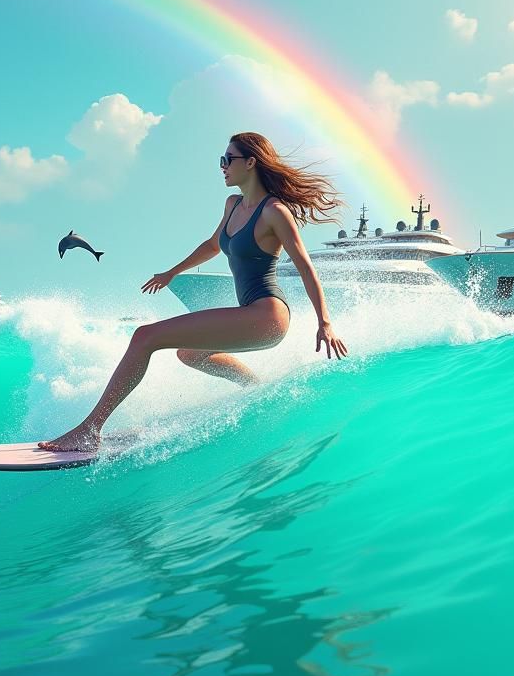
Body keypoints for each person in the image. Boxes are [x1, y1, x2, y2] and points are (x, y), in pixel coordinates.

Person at [39, 131, 347, 453]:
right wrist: (172, 272)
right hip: (253, 314)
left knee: (145, 337)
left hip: (268, 314)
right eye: (221, 160)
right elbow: (214, 245)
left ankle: (89, 431)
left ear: (251, 162)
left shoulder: (274, 212)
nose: (223, 166)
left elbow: (305, 266)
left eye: (228, 160)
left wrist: (324, 322)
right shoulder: (233, 205)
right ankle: (256, 390)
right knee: (189, 353)